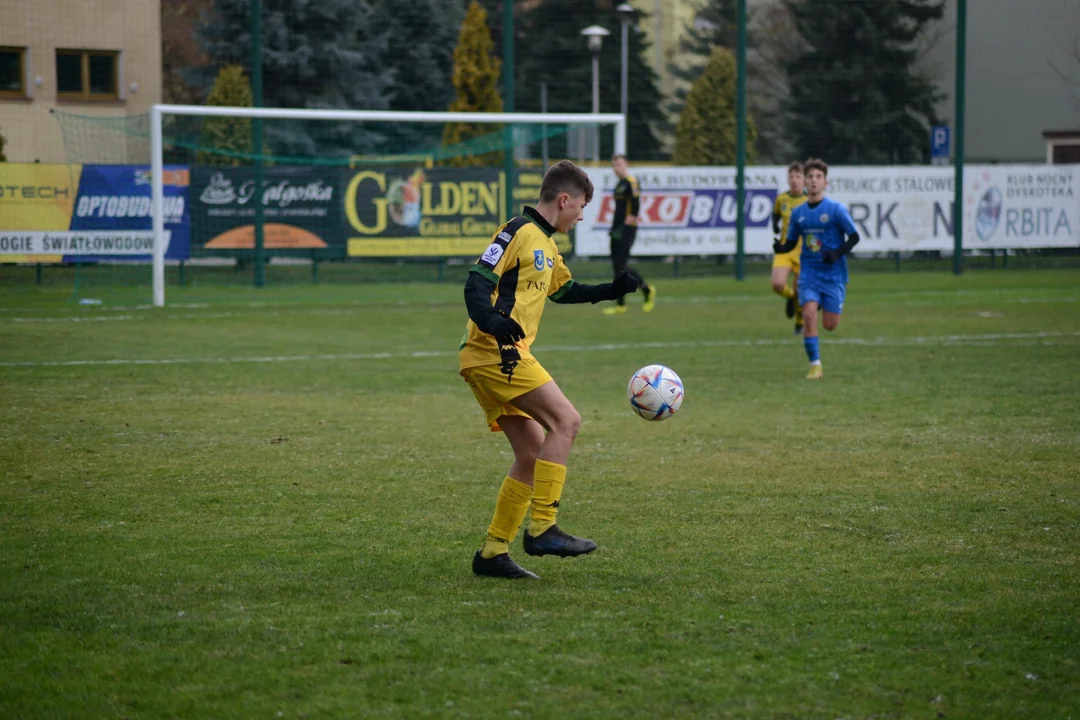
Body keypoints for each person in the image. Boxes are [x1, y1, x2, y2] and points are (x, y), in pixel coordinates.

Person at [460, 159, 640, 580]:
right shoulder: (517, 232)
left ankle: (492, 552)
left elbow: (565, 290)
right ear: (564, 199)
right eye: (581, 207)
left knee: (531, 453)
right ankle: (543, 527)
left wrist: (611, 290)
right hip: (495, 352)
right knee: (567, 421)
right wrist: (495, 324)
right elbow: (475, 285)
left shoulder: (547, 243)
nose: (581, 216)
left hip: (499, 353)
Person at [773, 158, 859, 380]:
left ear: (825, 183)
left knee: (830, 325)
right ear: (805, 182)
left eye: (818, 177)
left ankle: (822, 302)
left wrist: (837, 253)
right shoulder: (798, 213)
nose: (813, 181)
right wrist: (781, 247)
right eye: (810, 177)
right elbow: (792, 241)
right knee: (809, 314)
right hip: (809, 273)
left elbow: (854, 237)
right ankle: (815, 365)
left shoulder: (836, 209)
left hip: (833, 275)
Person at [602, 154, 655, 315]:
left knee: (621, 264)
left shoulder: (632, 182)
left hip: (626, 229)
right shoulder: (620, 184)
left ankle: (646, 289)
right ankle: (621, 304)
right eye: (614, 165)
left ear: (626, 164)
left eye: (619, 164)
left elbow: (636, 205)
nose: (616, 168)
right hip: (616, 228)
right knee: (616, 266)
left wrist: (628, 223)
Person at [771, 162, 808, 333]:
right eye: (791, 177)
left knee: (801, 290)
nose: (794, 181)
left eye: (798, 177)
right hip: (785, 248)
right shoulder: (782, 199)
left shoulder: (810, 201)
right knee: (777, 284)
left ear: (804, 180)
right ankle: (790, 297)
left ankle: (800, 322)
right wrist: (775, 226)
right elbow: (776, 213)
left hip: (804, 251)